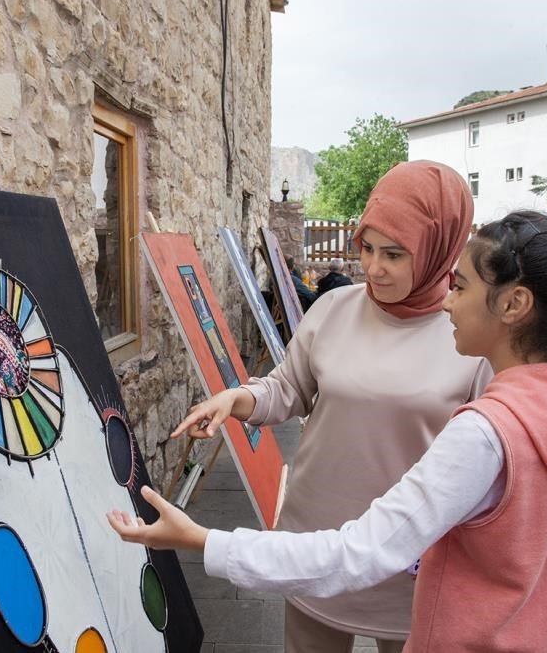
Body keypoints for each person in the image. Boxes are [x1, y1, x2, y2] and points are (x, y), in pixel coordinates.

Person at [109, 211, 547, 652]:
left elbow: (361, 552)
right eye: (370, 248)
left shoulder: (486, 431)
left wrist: (202, 541)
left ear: (513, 304)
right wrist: (242, 397)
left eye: (459, 286)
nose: (448, 301)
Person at [151, 161, 492, 652]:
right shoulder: (335, 309)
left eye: (395, 254)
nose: (374, 268)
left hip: (412, 556)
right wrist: (237, 398)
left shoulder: (468, 335)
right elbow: (287, 387)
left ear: (440, 251)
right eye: (367, 248)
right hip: (312, 538)